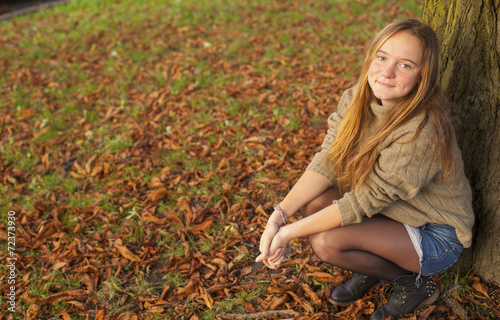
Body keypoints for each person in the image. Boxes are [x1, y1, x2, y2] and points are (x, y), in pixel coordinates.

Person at [255, 18, 474, 320]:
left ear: (424, 75)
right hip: (392, 211)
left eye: (405, 65)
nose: (386, 72)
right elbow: (328, 159)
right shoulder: (359, 97)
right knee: (310, 200)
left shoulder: (421, 129)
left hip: (433, 231)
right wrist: (278, 216)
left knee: (326, 241)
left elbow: (365, 200)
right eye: (382, 57)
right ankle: (369, 265)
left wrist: (288, 234)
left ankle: (414, 286)